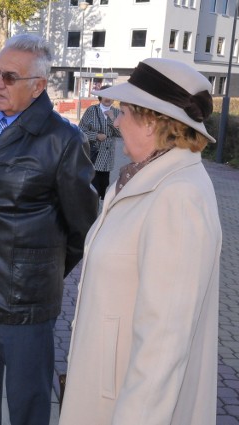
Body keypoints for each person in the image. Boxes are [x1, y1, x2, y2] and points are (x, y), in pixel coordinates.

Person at [59, 58, 222, 425]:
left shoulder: (179, 195)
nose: (116, 121)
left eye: (125, 111)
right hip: (108, 394)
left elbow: (163, 345)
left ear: (152, 121)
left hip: (128, 408)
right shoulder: (143, 177)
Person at [0, 34, 98, 425]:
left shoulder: (63, 139)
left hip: (23, 301)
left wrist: (36, 271)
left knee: (28, 406)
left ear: (38, 86)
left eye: (9, 77)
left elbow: (83, 225)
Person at [78, 85, 122, 199]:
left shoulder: (117, 113)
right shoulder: (91, 110)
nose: (107, 99)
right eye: (104, 96)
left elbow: (121, 134)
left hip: (107, 158)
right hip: (93, 154)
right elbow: (80, 130)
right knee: (93, 187)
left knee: (103, 186)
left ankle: (99, 208)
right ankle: (92, 209)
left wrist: (112, 119)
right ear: (100, 97)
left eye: (110, 96)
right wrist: (95, 135)